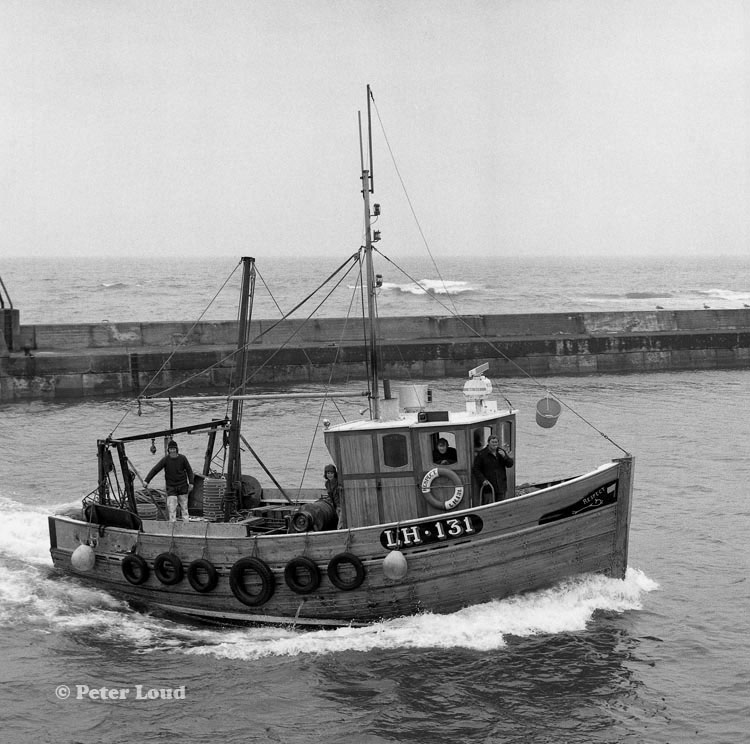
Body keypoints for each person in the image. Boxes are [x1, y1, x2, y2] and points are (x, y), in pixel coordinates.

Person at [144, 440, 194, 521]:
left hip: (182, 486)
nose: (172, 451)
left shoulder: (183, 458)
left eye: (174, 449)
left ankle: (186, 524)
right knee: (172, 509)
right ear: (168, 450)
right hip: (171, 488)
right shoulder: (165, 460)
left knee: (184, 509)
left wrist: (191, 483)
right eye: (171, 449)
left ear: (176, 449)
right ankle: (172, 525)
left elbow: (189, 471)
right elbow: (155, 469)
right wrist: (147, 480)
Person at [472, 434, 514, 502]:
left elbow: (510, 464)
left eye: (496, 442)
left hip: (500, 486)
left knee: (501, 504)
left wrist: (505, 457)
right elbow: (476, 469)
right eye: (493, 442)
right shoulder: (482, 454)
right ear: (488, 442)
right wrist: (483, 480)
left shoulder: (501, 452)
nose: (494, 444)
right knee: (489, 503)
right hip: (488, 486)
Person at [323, 464, 345, 529]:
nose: (330, 475)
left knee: (340, 524)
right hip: (336, 506)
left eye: (331, 473)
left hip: (342, 505)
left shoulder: (339, 482)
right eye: (328, 473)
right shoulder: (327, 484)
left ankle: (339, 532)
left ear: (334, 473)